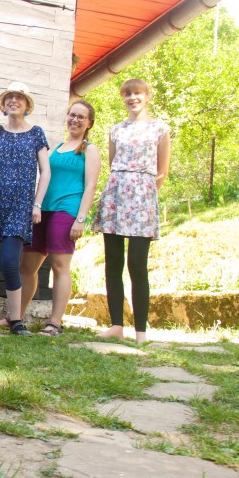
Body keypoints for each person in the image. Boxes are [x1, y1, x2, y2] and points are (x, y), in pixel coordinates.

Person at [0, 82, 50, 336]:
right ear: (4, 105)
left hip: (20, 208)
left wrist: (37, 204)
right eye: (9, 98)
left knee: (10, 263)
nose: (14, 101)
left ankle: (16, 320)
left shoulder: (36, 134)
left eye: (19, 98)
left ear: (27, 105)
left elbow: (46, 171)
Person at [93, 79, 171, 344]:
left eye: (137, 93)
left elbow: (162, 171)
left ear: (147, 96)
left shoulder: (160, 129)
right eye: (127, 94)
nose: (132, 98)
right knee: (113, 263)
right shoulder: (116, 130)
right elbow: (114, 162)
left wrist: (145, 195)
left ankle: (141, 332)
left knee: (137, 264)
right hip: (115, 197)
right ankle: (116, 325)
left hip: (142, 199)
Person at [19, 101, 100, 336]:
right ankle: (16, 317)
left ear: (89, 123)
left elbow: (91, 185)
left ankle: (54, 322)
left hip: (67, 210)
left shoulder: (89, 149)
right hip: (43, 209)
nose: (75, 120)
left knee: (59, 265)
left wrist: (81, 219)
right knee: (27, 266)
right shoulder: (58, 147)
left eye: (81, 117)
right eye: (72, 115)